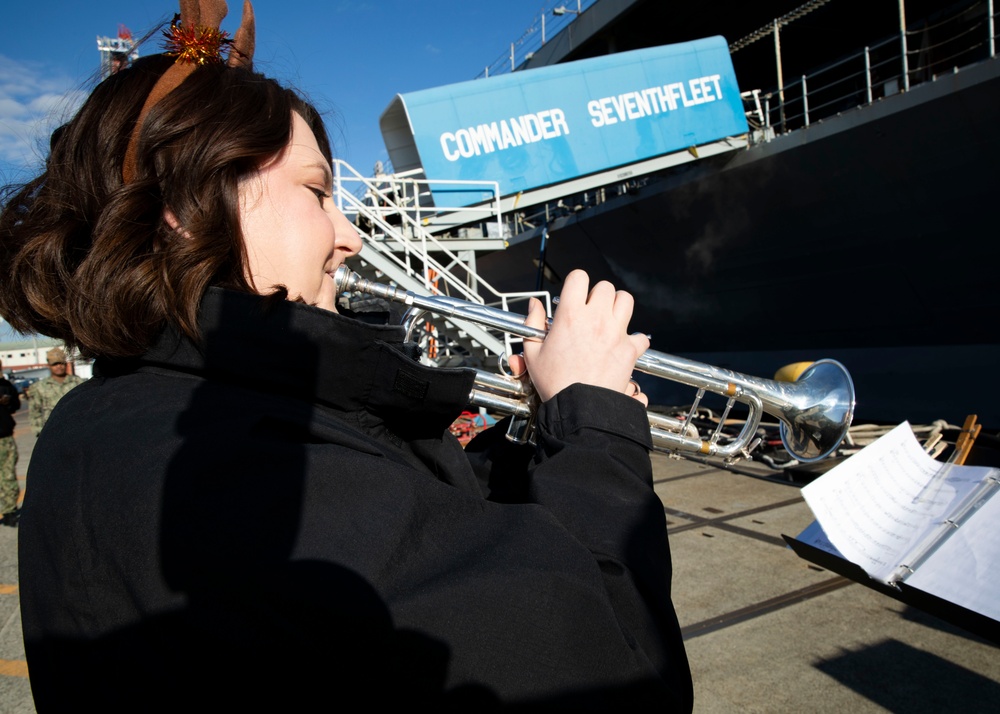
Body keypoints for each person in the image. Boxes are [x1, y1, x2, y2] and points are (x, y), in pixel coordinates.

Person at [0, 1, 691, 709]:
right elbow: (608, 672)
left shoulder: (100, 426)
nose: (350, 235)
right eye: (317, 191)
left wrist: (537, 439)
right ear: (185, 203)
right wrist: (598, 431)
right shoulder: (240, 465)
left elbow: (403, 523)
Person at [28, 348, 84, 435]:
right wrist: (39, 431)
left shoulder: (78, 383)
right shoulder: (39, 387)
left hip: (76, 428)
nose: (59, 366)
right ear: (49, 365)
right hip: (52, 431)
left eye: (61, 363)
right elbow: (35, 411)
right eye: (55, 364)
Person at [0, 360, 21, 527]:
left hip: (5, 439)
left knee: (8, 477)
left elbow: (16, 404)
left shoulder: (5, 385)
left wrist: (8, 402)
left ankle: (9, 512)